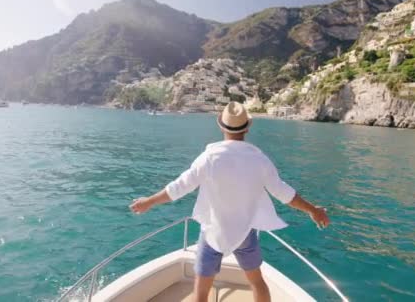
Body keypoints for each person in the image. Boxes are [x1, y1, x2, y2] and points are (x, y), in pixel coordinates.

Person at [130, 102, 330, 302]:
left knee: (201, 292)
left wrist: (149, 201)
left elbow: (179, 187)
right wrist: (313, 210)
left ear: (221, 126)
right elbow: (284, 193)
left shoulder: (209, 158)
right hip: (245, 233)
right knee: (257, 282)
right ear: (248, 127)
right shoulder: (260, 160)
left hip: (213, 233)